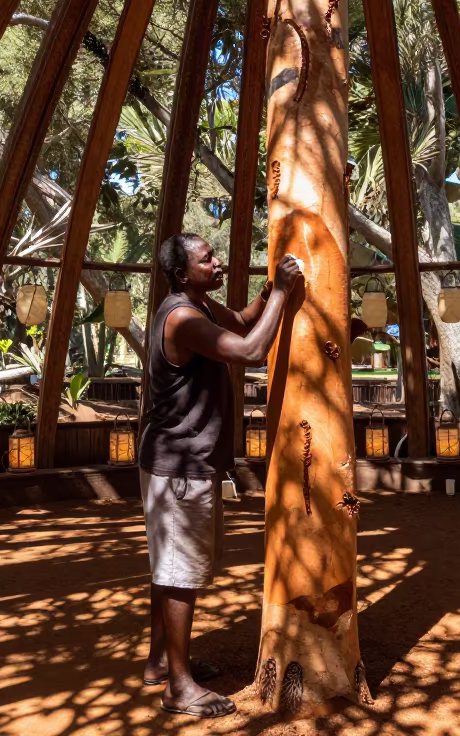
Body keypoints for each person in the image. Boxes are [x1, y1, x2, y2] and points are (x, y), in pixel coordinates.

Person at [139, 232, 303, 719]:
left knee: (170, 570)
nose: (216, 263)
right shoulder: (183, 318)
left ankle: (159, 662)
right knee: (179, 575)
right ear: (181, 273)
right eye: (206, 259)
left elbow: (247, 321)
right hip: (179, 465)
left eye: (213, 255)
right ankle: (179, 688)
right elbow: (252, 351)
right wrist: (282, 294)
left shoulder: (202, 308)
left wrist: (269, 288)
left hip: (185, 461)